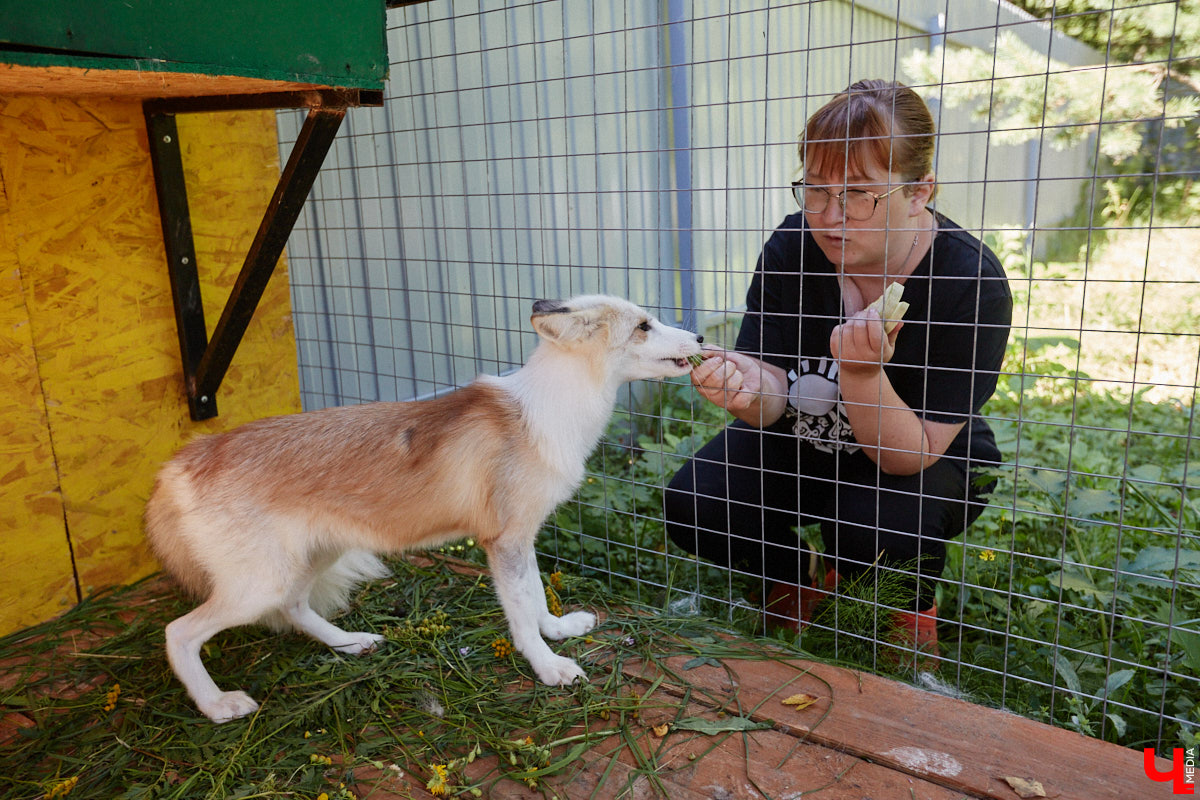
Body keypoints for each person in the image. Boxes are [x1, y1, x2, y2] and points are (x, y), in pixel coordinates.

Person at [664, 79, 1012, 658]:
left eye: (857, 194)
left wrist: (861, 375)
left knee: (878, 527)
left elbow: (908, 453)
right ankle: (794, 582)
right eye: (816, 191)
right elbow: (771, 386)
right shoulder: (793, 247)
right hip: (805, 437)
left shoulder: (969, 281)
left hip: (917, 455)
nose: (829, 216)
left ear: (919, 190)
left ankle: (905, 623)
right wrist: (745, 387)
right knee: (697, 502)